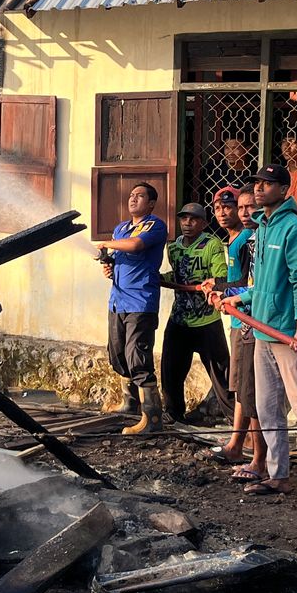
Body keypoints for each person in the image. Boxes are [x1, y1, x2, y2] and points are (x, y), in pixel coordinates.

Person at [214, 164, 297, 510]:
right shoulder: (262, 227)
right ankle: (277, 474)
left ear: (284, 189)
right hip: (262, 330)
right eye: (257, 182)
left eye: (268, 183)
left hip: (286, 334)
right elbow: (263, 284)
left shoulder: (294, 228)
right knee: (268, 408)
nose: (259, 188)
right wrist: (239, 299)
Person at [94, 182, 169, 435]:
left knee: (138, 356)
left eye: (140, 196)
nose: (133, 199)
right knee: (118, 353)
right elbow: (118, 257)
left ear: (151, 204)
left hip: (140, 302)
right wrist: (108, 265)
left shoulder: (155, 225)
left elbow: (136, 245)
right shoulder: (121, 228)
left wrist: (107, 244)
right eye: (131, 195)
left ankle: (152, 418)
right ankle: (129, 403)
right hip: (117, 301)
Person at [205, 188, 267, 480]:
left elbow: (250, 284)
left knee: (250, 389)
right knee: (243, 386)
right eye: (240, 207)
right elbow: (240, 280)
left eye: (247, 207)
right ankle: (238, 444)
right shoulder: (239, 239)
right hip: (239, 319)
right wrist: (219, 286)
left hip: (252, 320)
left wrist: (223, 291)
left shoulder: (252, 239)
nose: (243, 213)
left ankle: (256, 456)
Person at [159, 202, 232, 424]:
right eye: (184, 219)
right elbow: (178, 275)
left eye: (193, 219)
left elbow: (220, 274)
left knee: (221, 373)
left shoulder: (212, 245)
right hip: (179, 318)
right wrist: (159, 279)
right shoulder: (173, 248)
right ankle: (173, 413)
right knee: (171, 370)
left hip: (207, 320)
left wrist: (213, 284)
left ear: (204, 223)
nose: (187, 223)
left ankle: (234, 416)